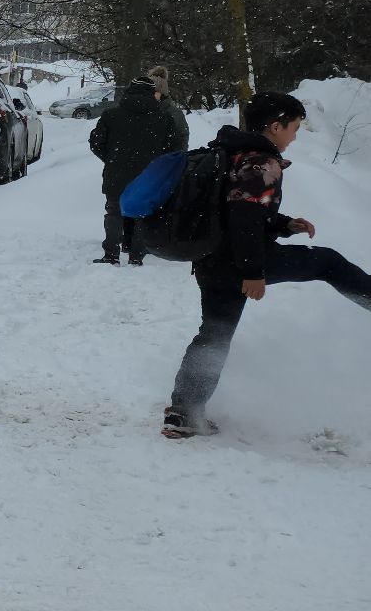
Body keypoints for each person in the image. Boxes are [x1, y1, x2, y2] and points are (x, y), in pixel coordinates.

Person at [163, 92, 371, 438]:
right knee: (328, 262)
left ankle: (184, 412)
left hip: (211, 260)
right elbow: (243, 218)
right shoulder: (262, 162)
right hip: (240, 260)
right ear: (275, 126)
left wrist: (284, 223)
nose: (295, 136)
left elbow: (232, 209)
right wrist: (252, 273)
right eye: (294, 128)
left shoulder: (230, 151)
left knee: (214, 335)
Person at [87, 76, 188, 264]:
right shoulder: (164, 118)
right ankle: (137, 255)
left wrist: (111, 159)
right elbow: (174, 148)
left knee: (114, 212)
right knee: (143, 214)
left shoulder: (111, 115)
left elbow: (96, 143)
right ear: (153, 93)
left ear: (129, 90)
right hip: (149, 175)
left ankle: (111, 254)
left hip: (116, 172)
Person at [147, 65, 189, 139]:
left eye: (155, 92)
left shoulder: (175, 113)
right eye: (148, 91)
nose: (150, 94)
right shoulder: (140, 109)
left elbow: (182, 137)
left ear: (162, 93)